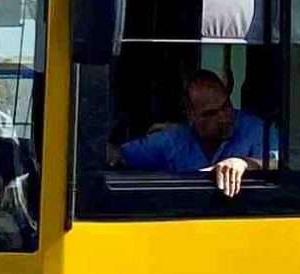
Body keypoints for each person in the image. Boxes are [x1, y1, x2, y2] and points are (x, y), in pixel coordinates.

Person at [114, 71, 267, 198]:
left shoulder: (255, 129)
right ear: (191, 115)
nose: (224, 117)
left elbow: (283, 163)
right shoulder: (174, 140)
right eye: (211, 113)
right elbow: (120, 155)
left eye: (226, 106)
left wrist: (244, 163)